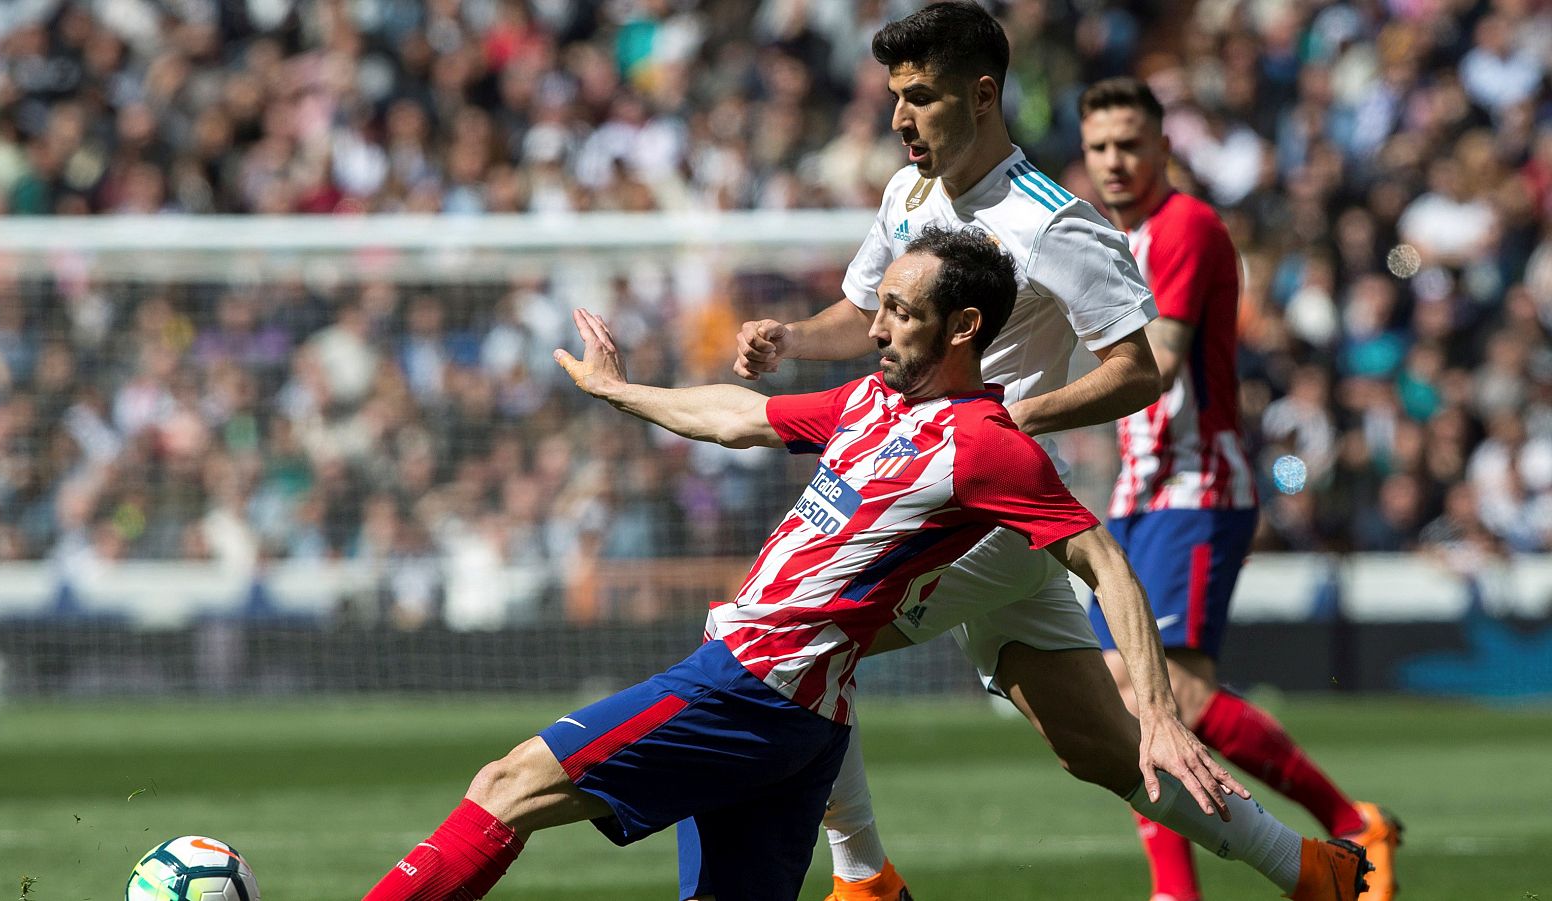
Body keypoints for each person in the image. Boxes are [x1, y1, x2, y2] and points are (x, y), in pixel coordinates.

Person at [358, 228, 1253, 901]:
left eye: (902, 313)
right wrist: (617, 389)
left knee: (504, 786)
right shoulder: (869, 400)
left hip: (752, 683)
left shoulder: (989, 445)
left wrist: (1162, 717)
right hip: (806, 724)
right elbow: (738, 416)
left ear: (964, 326)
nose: (878, 329)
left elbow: (1108, 565)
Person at [701, 5, 1370, 901]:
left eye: (921, 98)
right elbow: (864, 320)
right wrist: (789, 336)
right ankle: (1307, 867)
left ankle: (863, 876)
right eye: (896, 97)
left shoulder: (1053, 223)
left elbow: (1136, 370)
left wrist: (1020, 420)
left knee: (784, 631)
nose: (900, 118)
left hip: (976, 509)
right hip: (946, 500)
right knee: (1097, 746)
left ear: (983, 96)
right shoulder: (911, 196)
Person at [1077, 76, 1403, 901]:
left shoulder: (1186, 226)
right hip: (1141, 492)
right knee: (1122, 693)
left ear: (1163, 147)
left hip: (1198, 485)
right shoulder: (1110, 239)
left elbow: (1157, 365)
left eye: (1129, 144)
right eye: (1100, 147)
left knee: (1174, 691)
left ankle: (1348, 822)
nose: (1114, 161)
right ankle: (1181, 886)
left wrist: (1032, 405)